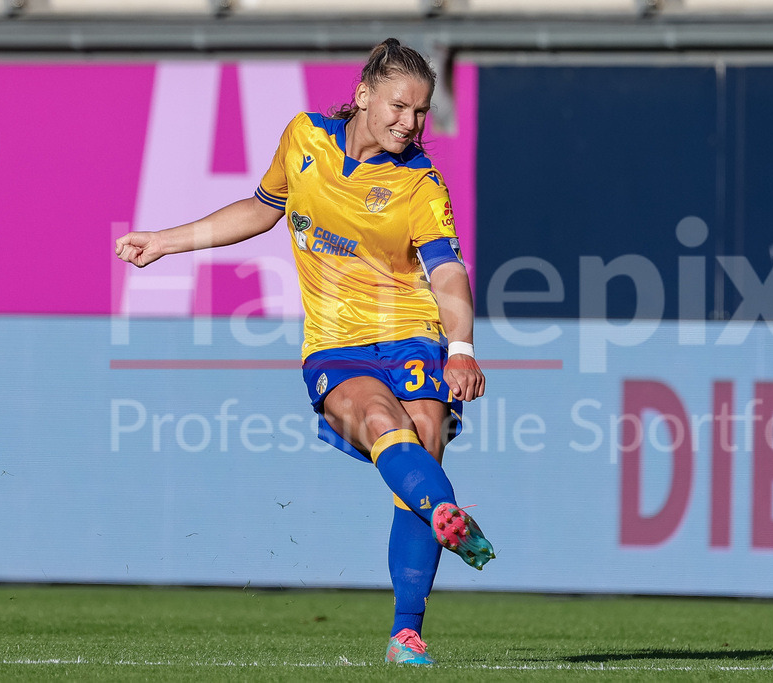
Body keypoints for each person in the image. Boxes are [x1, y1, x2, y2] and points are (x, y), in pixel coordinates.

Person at [115, 37, 494, 667]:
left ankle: (408, 630)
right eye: (400, 106)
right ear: (364, 94)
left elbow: (447, 270)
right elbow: (259, 211)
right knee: (382, 424)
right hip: (335, 343)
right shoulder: (303, 138)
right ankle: (447, 512)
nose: (410, 123)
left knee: (422, 436)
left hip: (410, 331)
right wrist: (166, 241)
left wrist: (460, 347)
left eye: (422, 112)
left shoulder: (421, 185)